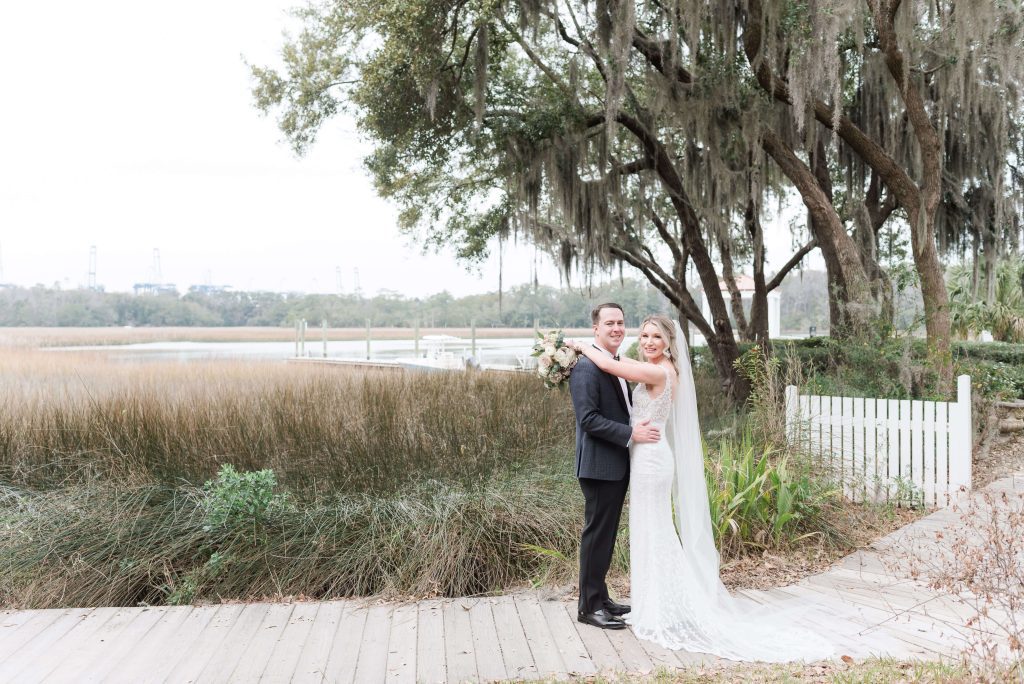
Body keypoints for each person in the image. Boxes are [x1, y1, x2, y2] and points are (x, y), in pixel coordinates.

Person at [572, 315, 834, 661]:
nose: (649, 341)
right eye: (645, 335)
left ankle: (662, 606)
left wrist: (578, 346)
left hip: (650, 460)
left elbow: (607, 362)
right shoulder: (660, 368)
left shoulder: (659, 371)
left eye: (656, 337)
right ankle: (653, 602)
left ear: (669, 342)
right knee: (652, 529)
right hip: (648, 457)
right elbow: (616, 365)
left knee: (654, 531)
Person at [567, 303, 661, 630]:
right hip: (598, 466)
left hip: (615, 465)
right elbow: (588, 419)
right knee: (596, 537)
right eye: (609, 323)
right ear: (596, 329)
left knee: (605, 538)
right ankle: (588, 608)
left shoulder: (611, 362)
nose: (617, 328)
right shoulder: (585, 368)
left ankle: (601, 598)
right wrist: (631, 433)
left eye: (621, 322)